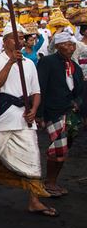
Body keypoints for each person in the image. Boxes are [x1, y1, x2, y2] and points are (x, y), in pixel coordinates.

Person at [0, 23, 57, 217]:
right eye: (14, 37)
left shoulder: (28, 63)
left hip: (24, 119)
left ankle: (34, 201)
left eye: (21, 38)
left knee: (33, 157)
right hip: (2, 117)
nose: (19, 41)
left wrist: (34, 110)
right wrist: (10, 63)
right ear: (5, 41)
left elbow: (36, 91)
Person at [37, 31, 84, 196]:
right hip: (54, 111)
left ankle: (52, 182)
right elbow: (40, 88)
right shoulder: (47, 62)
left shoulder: (75, 67)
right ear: (57, 46)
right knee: (58, 150)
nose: (70, 47)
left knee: (63, 149)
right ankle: (49, 183)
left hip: (71, 113)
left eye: (72, 44)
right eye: (66, 44)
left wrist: (78, 105)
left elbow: (80, 91)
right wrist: (39, 114)